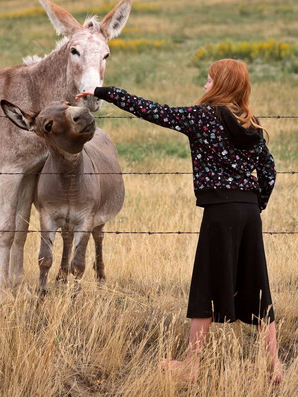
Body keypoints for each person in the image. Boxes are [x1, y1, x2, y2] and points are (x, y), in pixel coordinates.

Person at [75, 58, 283, 384]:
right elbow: (269, 172)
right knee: (258, 286)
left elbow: (153, 111)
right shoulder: (252, 125)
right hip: (248, 212)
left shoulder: (202, 118)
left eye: (210, 80)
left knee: (205, 285)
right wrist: (257, 205)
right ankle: (274, 366)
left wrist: (104, 92)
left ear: (223, 84)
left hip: (220, 212)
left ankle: (192, 365)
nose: (205, 85)